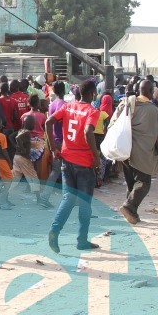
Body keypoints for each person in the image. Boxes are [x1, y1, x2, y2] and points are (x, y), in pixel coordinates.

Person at [44, 80, 103, 252]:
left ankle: (55, 230)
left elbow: (49, 122)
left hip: (66, 158)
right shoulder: (92, 111)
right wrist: (96, 154)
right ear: (92, 94)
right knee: (85, 203)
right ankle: (82, 240)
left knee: (68, 199)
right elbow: (88, 131)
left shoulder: (68, 106)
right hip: (84, 162)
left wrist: (53, 148)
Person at [117, 81, 158, 225]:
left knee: (131, 183)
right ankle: (129, 207)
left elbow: (113, 124)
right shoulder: (155, 112)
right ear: (150, 91)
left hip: (124, 150)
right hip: (143, 153)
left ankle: (132, 214)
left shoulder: (125, 104)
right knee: (144, 183)